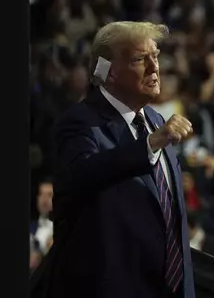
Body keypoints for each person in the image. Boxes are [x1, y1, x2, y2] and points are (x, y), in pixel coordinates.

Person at [46, 22, 196, 298]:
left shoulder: (155, 120)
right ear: (109, 72)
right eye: (140, 59)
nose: (155, 68)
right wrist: (150, 144)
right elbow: (83, 175)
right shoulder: (80, 123)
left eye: (156, 56)